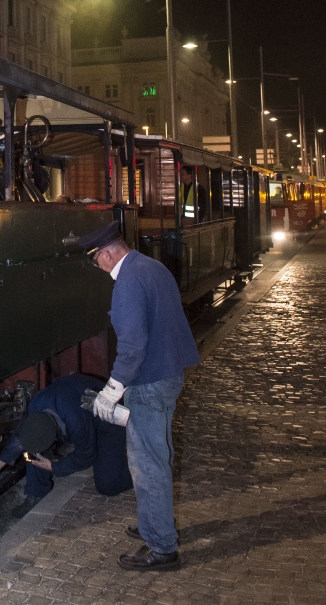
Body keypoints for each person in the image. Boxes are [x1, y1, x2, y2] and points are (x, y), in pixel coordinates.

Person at [77, 220, 199, 571]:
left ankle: (162, 546)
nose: (97, 267)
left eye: (95, 259)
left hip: (148, 383)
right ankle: (154, 523)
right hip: (168, 374)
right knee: (158, 456)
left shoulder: (127, 281)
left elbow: (132, 346)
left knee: (147, 464)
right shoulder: (152, 266)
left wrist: (111, 391)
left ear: (106, 253)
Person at [0, 372, 133, 516]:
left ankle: (145, 476)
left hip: (106, 420)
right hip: (73, 399)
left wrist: (54, 467)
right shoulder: (36, 408)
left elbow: (86, 455)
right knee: (33, 444)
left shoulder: (75, 421)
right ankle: (37, 492)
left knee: (108, 485)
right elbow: (19, 438)